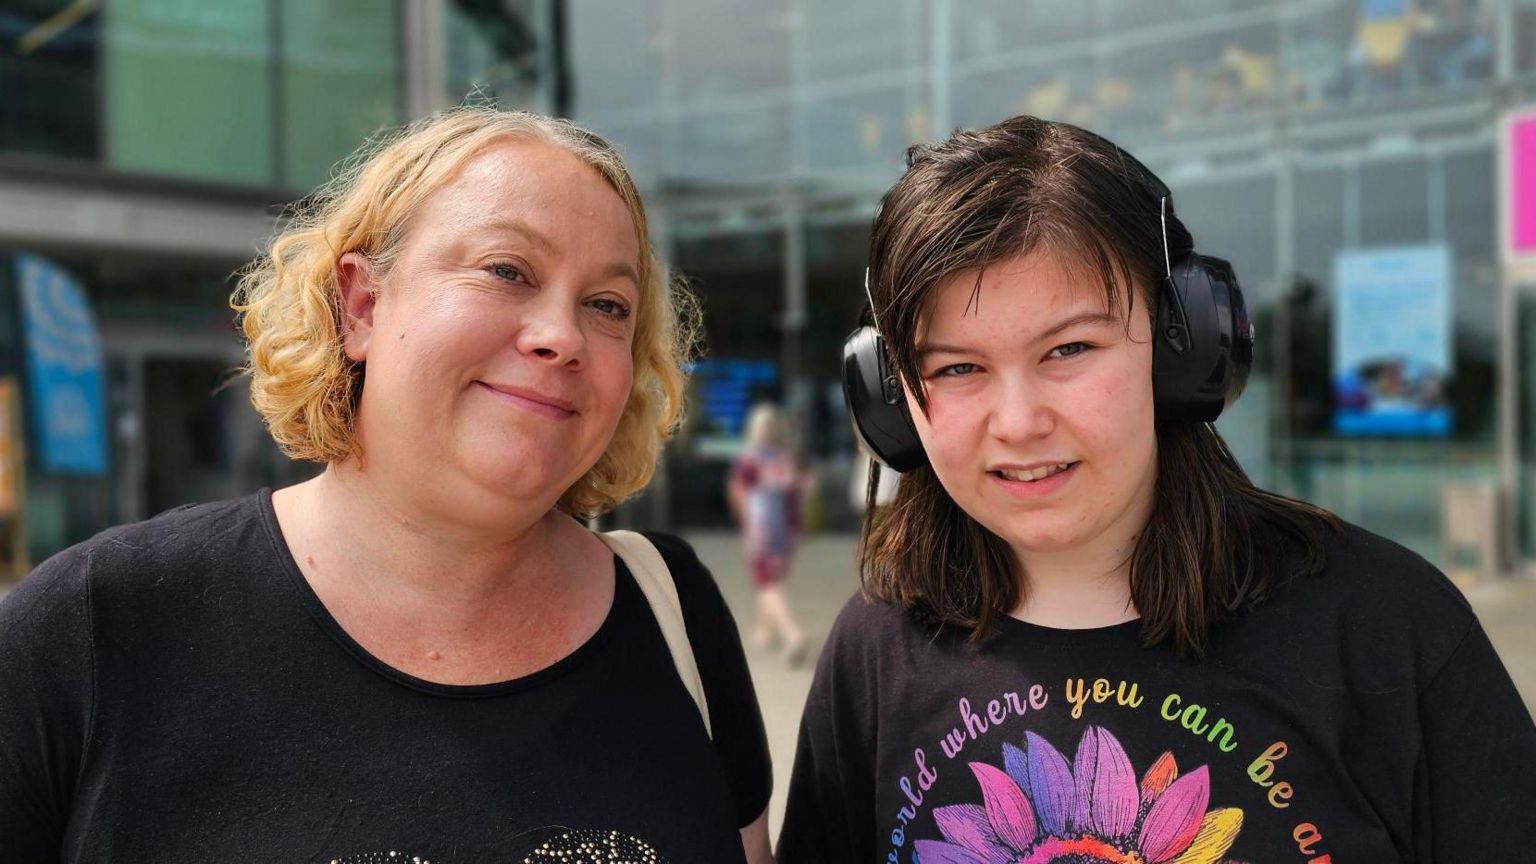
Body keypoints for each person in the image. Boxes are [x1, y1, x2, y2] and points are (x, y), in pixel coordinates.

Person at [0, 108, 773, 864]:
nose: (562, 337)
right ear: (361, 305)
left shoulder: (675, 610)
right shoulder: (94, 627)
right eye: (507, 271)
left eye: (607, 306)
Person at [777, 114, 1536, 861]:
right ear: (891, 397)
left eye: (1070, 348)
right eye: (956, 368)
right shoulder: (871, 654)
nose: (1018, 421)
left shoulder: (1383, 627)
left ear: (1184, 347)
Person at [727, 402, 808, 666]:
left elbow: (738, 491)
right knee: (769, 578)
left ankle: (791, 634)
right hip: (784, 528)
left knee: (768, 583)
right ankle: (766, 630)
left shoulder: (749, 458)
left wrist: (746, 523)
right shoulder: (785, 457)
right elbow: (796, 494)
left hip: (762, 526)